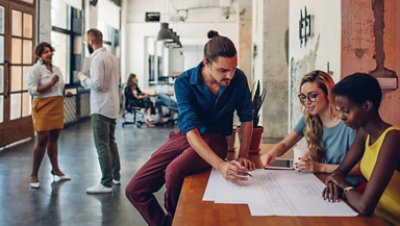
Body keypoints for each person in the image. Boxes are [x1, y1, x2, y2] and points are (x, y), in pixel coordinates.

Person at [125, 30, 255, 226]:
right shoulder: (184, 82)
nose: (230, 75)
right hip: (185, 136)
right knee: (134, 189)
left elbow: (247, 118)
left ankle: (178, 218)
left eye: (234, 68)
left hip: (215, 138)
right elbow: (190, 129)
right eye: (223, 70)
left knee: (173, 172)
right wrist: (220, 166)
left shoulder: (239, 80)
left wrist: (243, 154)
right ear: (206, 63)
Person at [323, 73, 400, 225]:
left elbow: (365, 206)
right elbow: (340, 172)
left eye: (346, 110)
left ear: (366, 106)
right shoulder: (364, 133)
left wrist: (343, 185)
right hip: (377, 219)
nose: (342, 117)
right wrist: (334, 182)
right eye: (340, 110)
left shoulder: (393, 138)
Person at [261, 70, 358, 176]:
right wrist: (270, 154)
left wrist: (320, 167)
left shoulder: (348, 124)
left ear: (328, 94)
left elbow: (358, 168)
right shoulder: (309, 118)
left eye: (312, 95)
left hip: (345, 188)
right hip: (322, 182)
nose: (307, 102)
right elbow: (285, 144)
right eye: (303, 97)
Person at [79, 28, 121, 194]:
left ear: (91, 41)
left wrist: (83, 77)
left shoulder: (96, 59)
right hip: (112, 105)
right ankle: (115, 176)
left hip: (100, 107)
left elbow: (98, 85)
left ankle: (105, 183)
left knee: (102, 145)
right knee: (111, 141)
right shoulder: (111, 57)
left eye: (85, 42)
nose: (86, 45)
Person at [28, 42, 71, 189]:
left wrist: (66, 93)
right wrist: (51, 83)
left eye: (50, 51)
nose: (49, 54)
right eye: (45, 52)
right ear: (39, 54)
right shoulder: (35, 70)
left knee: (54, 139)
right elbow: (33, 90)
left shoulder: (57, 69)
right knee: (41, 140)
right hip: (43, 106)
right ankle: (34, 174)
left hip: (57, 105)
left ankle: (56, 169)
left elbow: (60, 88)